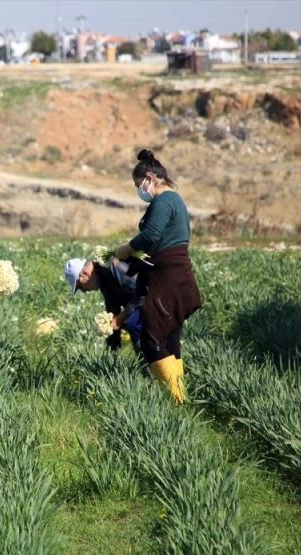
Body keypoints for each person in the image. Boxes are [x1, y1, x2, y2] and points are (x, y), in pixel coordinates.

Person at [113, 149, 202, 404]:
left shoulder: (163, 201)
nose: (139, 189)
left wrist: (126, 249)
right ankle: (179, 396)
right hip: (175, 274)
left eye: (138, 184)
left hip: (168, 277)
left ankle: (175, 397)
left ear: (150, 178)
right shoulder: (176, 200)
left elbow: (151, 235)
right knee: (170, 335)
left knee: (151, 335)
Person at [63, 256, 143, 351]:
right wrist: (112, 346)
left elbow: (143, 292)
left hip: (159, 296)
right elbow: (112, 308)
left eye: (80, 287)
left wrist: (120, 319)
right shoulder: (103, 279)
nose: (84, 291)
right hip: (146, 303)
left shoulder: (113, 267)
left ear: (85, 273)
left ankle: (154, 363)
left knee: (134, 324)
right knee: (132, 322)